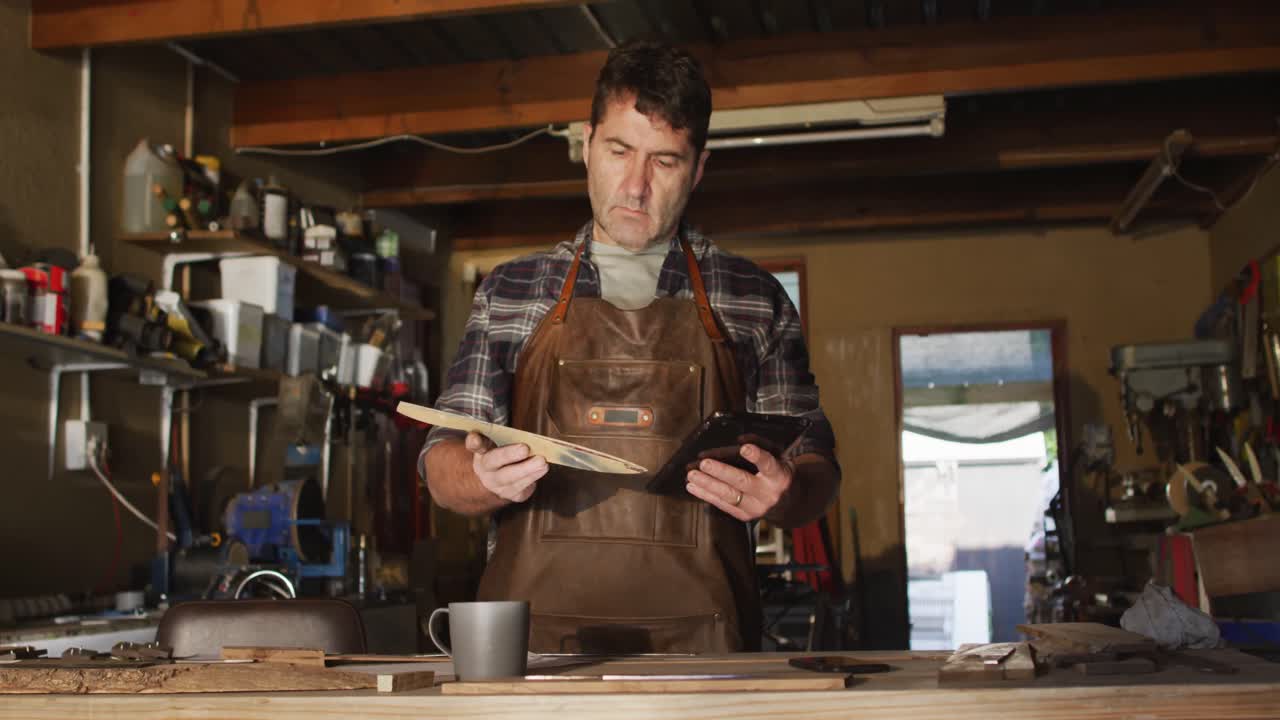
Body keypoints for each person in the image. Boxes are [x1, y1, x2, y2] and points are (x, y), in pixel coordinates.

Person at [421, 40, 840, 654]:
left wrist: (786, 492)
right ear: (587, 145)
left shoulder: (753, 297)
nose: (637, 186)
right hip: (536, 658)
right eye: (619, 151)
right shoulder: (510, 292)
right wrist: (481, 475)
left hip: (706, 654)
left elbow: (817, 465)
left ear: (697, 170)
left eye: (665, 162)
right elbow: (440, 460)